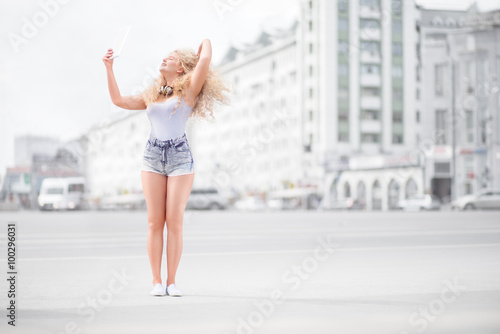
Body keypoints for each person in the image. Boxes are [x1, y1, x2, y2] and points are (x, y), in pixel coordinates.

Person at [102, 39, 230, 297]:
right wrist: (108, 67)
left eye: (170, 58)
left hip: (180, 158)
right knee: (153, 222)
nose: (163, 60)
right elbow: (118, 100)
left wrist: (202, 43)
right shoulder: (151, 95)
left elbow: (204, 58)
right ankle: (156, 282)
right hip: (152, 157)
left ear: (181, 68)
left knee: (175, 222)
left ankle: (172, 282)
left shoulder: (189, 91)